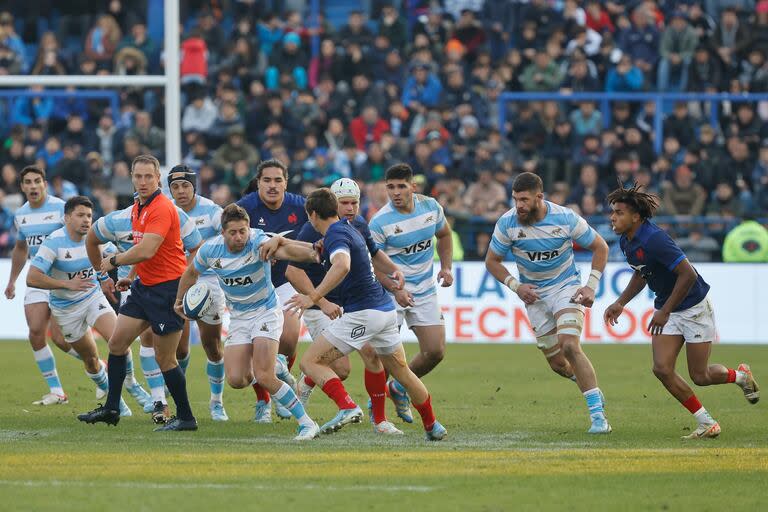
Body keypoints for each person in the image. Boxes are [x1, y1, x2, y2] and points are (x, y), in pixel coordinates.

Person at [287, 188, 447, 441]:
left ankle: (348, 406)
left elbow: (342, 264)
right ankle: (432, 425)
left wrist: (313, 297)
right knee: (402, 371)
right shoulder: (349, 228)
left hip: (363, 313)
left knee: (311, 363)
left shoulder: (336, 234)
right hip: (384, 310)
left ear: (313, 215)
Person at [604, 184, 759, 439]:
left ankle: (740, 376)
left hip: (694, 306)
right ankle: (707, 422)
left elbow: (687, 274)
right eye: (613, 212)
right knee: (661, 369)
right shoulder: (626, 241)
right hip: (669, 307)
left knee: (701, 375)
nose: (612, 217)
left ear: (636, 217)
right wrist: (621, 302)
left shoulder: (655, 239)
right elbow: (642, 272)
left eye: (619, 212)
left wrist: (664, 311)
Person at [175, 204, 321, 441]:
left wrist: (314, 253)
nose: (239, 237)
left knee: (264, 376)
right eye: (233, 232)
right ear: (222, 233)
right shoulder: (209, 250)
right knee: (237, 379)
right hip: (239, 317)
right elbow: (191, 273)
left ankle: (306, 423)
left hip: (266, 311)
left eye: (243, 231)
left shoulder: (258, 242)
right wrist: (180, 300)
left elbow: (286, 250)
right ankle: (279, 367)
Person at [485, 172, 612, 434]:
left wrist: (590, 286)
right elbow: (492, 261)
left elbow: (601, 247)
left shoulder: (564, 218)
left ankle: (599, 418)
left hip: (566, 287)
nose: (518, 205)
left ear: (539, 198)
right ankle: (591, 388)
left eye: (523, 199)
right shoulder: (507, 223)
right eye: (515, 199)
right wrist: (516, 286)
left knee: (569, 345)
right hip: (534, 296)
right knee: (558, 365)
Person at [77, 155, 198, 431]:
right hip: (144, 287)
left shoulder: (161, 208)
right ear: (131, 177)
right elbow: (144, 250)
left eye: (148, 177)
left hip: (168, 289)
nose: (143, 182)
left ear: (158, 179)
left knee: (165, 358)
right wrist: (131, 276)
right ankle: (111, 408)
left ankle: (186, 417)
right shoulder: (137, 207)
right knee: (117, 344)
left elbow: (147, 249)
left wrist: (115, 262)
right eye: (138, 176)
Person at [285, 178, 406, 435]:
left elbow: (374, 255)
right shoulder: (313, 228)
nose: (350, 208)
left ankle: (380, 420)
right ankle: (306, 385)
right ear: (332, 204)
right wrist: (321, 301)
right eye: (344, 203)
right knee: (340, 369)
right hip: (322, 306)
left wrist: (394, 270)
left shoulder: (358, 224)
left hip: (353, 306)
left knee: (372, 355)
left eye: (355, 203)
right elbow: (292, 272)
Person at [26, 196, 132, 417]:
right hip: (64, 303)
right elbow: (32, 277)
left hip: (91, 297)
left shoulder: (95, 237)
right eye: (80, 215)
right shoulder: (53, 241)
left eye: (89, 216)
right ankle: (116, 399)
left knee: (118, 339)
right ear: (66, 218)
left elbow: (113, 253)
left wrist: (105, 275)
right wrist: (66, 283)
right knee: (79, 353)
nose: (86, 220)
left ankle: (138, 390)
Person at [368, 164, 453, 424]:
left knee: (435, 351)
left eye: (401, 186)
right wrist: (397, 289)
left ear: (413, 187)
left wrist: (446, 267)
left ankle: (399, 387)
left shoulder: (431, 207)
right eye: (390, 187)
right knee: (381, 355)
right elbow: (375, 265)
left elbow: (445, 235)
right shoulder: (380, 222)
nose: (395, 192)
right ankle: (377, 407)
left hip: (424, 290)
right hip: (389, 293)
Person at [4, 166, 84, 405]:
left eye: (37, 181)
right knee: (36, 332)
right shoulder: (21, 215)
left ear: (44, 184)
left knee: (61, 339)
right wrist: (12, 281)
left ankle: (97, 364)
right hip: (38, 279)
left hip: (63, 279)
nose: (32, 186)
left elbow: (80, 236)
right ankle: (57, 390)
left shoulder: (62, 208)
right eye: (27, 182)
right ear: (22, 187)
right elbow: (21, 248)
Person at [236, 159, 306, 421]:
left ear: (286, 182)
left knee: (288, 339)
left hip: (287, 281)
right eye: (267, 180)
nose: (273, 185)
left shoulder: (301, 206)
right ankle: (264, 400)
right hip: (253, 285)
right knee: (259, 345)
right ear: (258, 183)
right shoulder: (245, 208)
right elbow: (228, 238)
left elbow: (318, 233)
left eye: (278, 180)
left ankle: (280, 390)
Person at [167, 165, 229, 421]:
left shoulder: (213, 211)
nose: (181, 191)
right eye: (175, 187)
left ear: (195, 187)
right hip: (177, 280)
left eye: (185, 186)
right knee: (179, 350)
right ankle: (180, 401)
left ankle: (216, 402)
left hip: (209, 282)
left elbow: (230, 230)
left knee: (212, 346)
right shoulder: (166, 210)